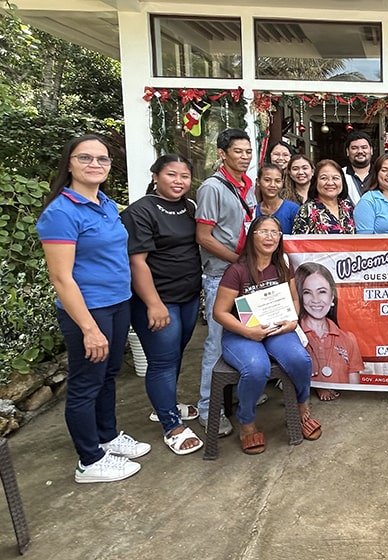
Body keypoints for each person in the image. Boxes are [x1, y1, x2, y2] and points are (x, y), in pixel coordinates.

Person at [37, 134, 151, 483]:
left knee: (108, 376)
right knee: (86, 383)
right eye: (85, 158)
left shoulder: (104, 203)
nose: (95, 165)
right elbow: (61, 277)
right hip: (89, 310)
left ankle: (107, 435)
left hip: (117, 304)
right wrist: (88, 327)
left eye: (102, 159)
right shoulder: (60, 212)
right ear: (69, 163)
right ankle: (89, 459)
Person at [212, 216, 320, 454]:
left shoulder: (282, 264)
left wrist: (293, 321)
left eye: (275, 232)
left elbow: (293, 298)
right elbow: (219, 312)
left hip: (277, 327)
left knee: (300, 360)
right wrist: (248, 332)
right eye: (263, 232)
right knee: (256, 367)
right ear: (252, 236)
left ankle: (302, 406)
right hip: (241, 332)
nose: (270, 237)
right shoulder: (237, 270)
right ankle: (247, 422)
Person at [121, 154, 204, 456]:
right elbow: (136, 262)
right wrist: (153, 303)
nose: (179, 181)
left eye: (184, 175)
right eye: (171, 174)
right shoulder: (140, 211)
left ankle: (165, 406)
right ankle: (172, 426)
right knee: (162, 361)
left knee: (175, 354)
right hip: (157, 300)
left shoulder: (189, 207)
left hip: (188, 296)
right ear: (156, 176)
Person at [195, 128, 257, 438]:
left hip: (246, 275)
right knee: (216, 342)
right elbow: (204, 237)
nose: (245, 157)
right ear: (222, 153)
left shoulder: (249, 186)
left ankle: (245, 391)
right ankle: (209, 409)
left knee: (247, 335)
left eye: (248, 151)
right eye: (238, 151)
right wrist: (237, 262)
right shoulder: (211, 188)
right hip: (221, 275)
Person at [295, 262, 363, 401]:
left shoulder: (348, 338)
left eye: (322, 292)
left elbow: (354, 385)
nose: (315, 300)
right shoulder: (294, 335)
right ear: (300, 297)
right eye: (307, 292)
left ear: (332, 296)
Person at [292, 159, 355, 235]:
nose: (330, 183)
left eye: (335, 178)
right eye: (324, 178)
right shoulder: (307, 210)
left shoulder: (347, 206)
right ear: (316, 182)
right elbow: (298, 244)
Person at [255, 163, 299, 234]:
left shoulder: (293, 209)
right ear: (258, 182)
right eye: (267, 180)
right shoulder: (254, 210)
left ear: (282, 182)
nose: (272, 185)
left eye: (277, 181)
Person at [342, 131, 373, 205]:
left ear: (371, 150)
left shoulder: (380, 173)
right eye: (354, 148)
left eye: (364, 147)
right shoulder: (340, 174)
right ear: (347, 152)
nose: (360, 151)